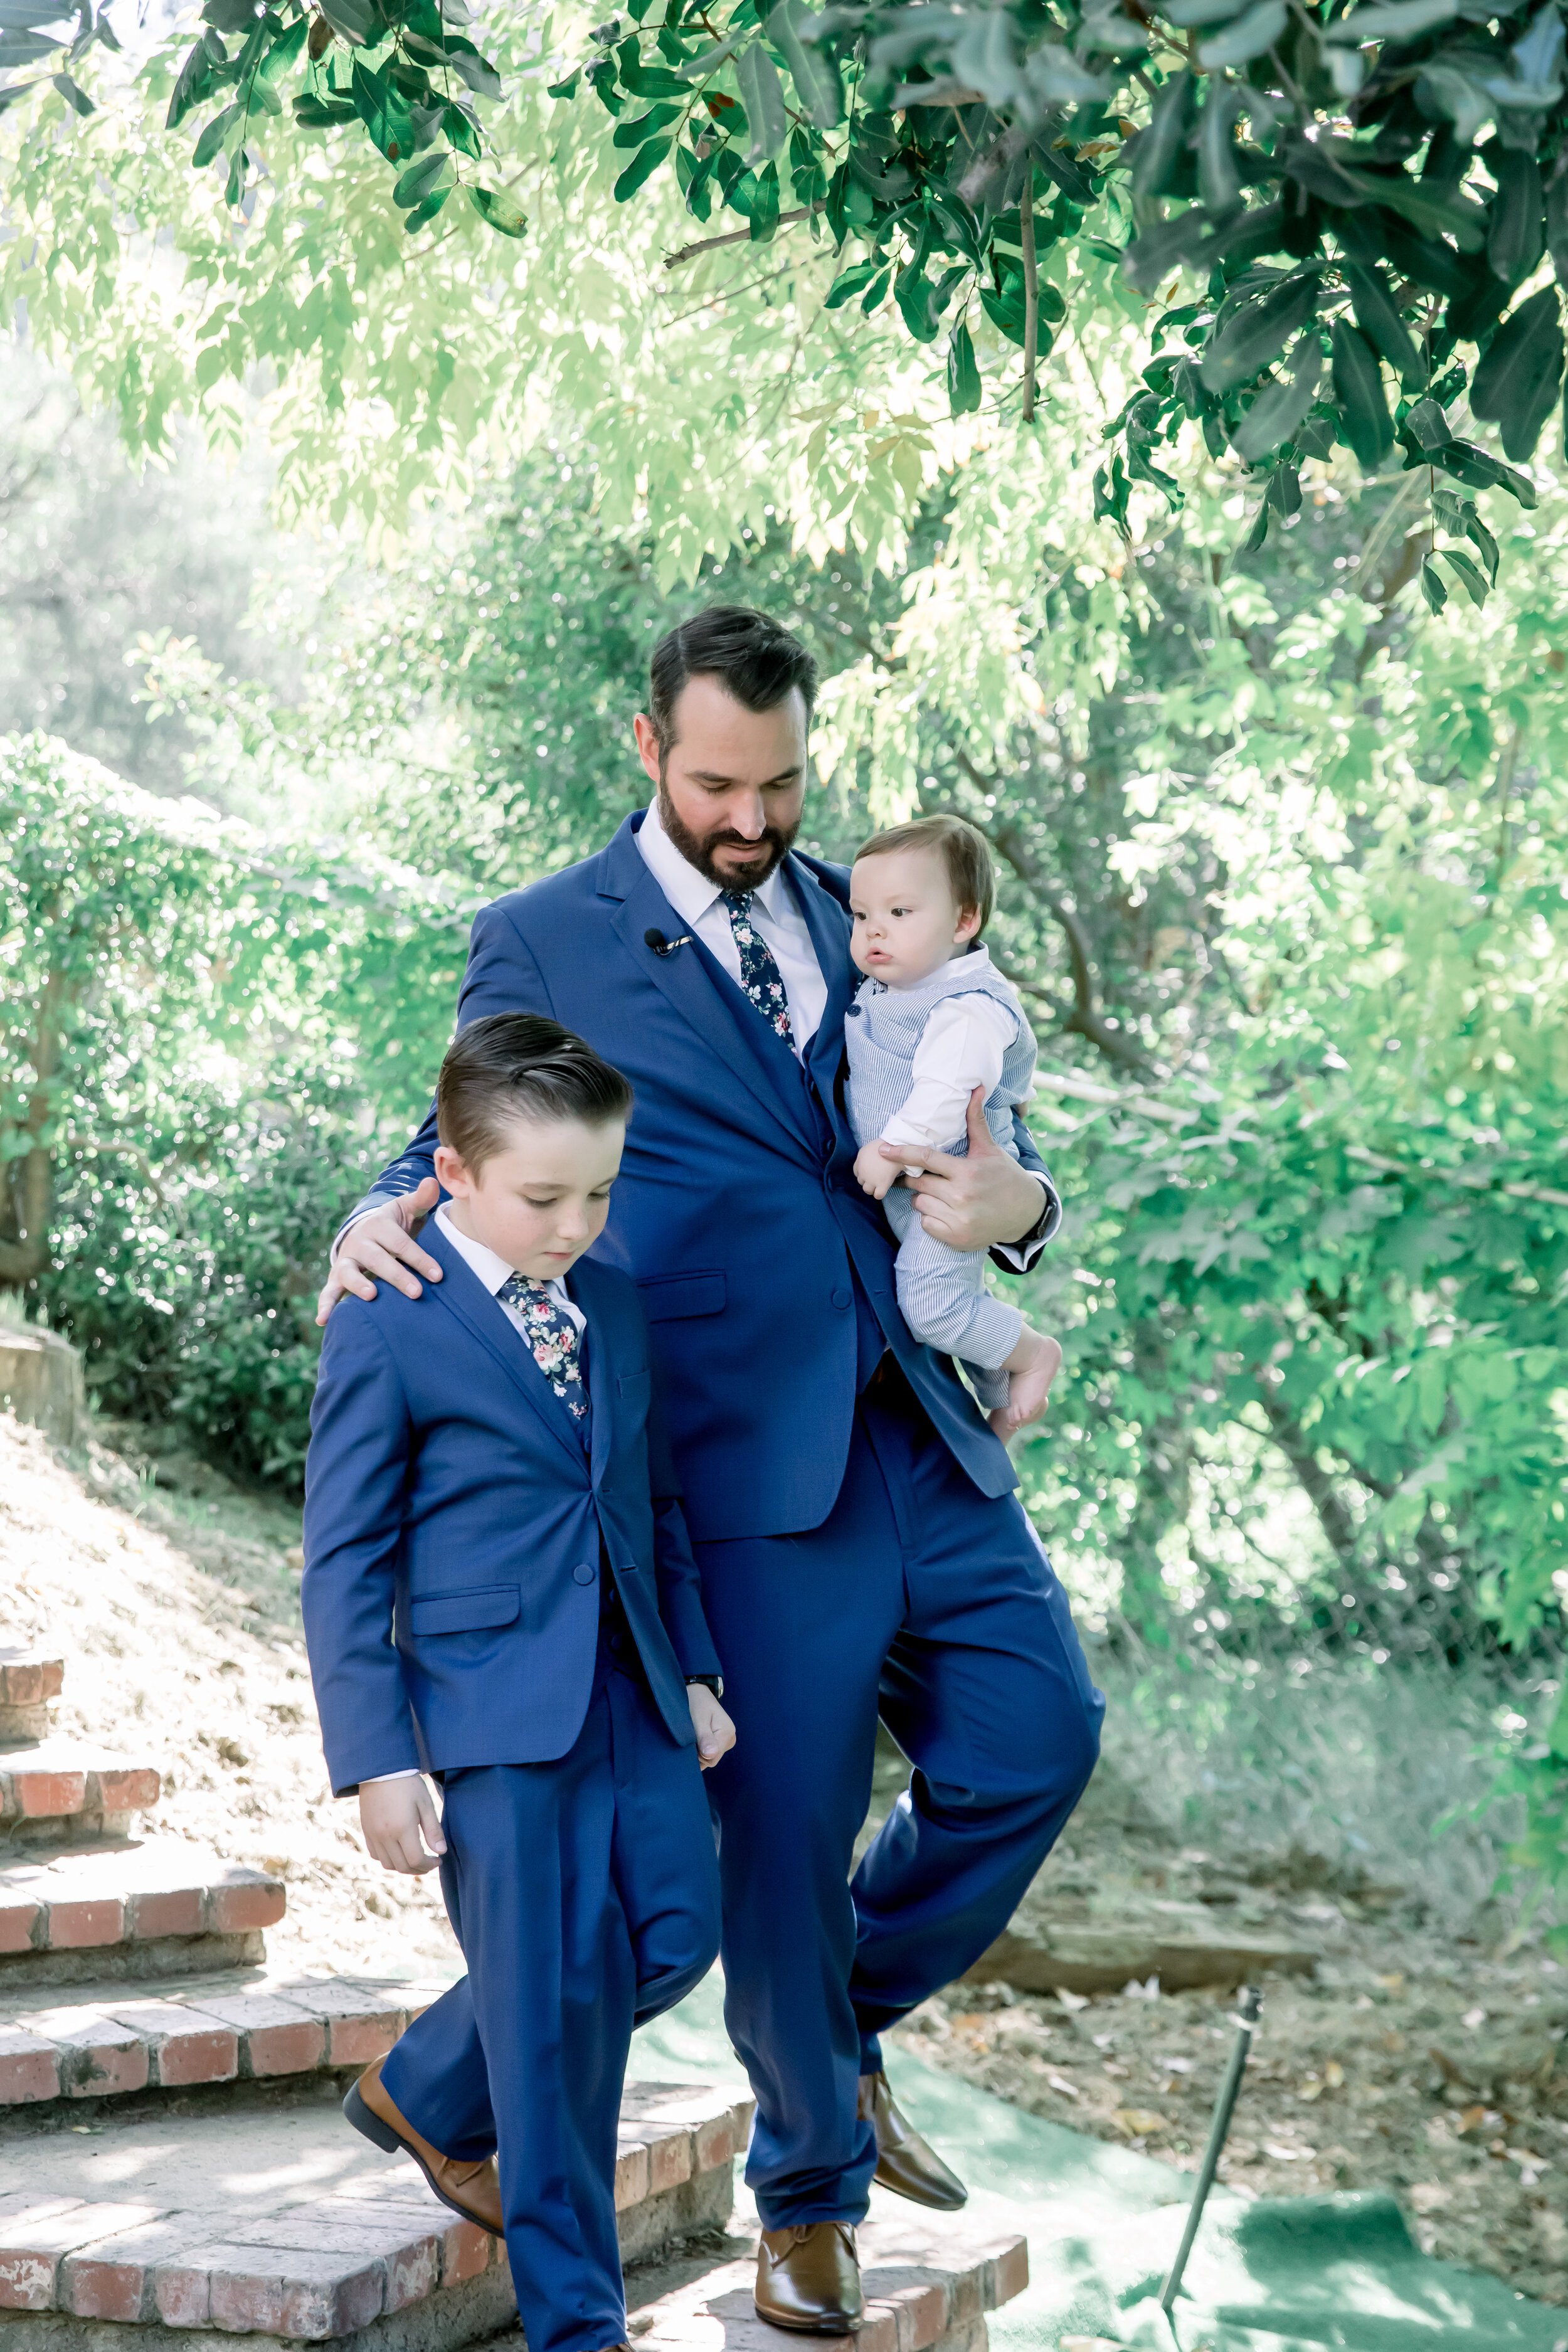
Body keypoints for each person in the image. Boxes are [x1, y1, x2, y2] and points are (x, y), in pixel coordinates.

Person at [319, 605, 1104, 2337]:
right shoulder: (542, 933)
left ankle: (779, 2034)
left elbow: (992, 1136)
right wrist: (382, 1212)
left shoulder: (866, 906)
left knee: (1041, 1739)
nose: (755, 819)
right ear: (644, 746)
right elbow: (458, 1122)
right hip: (736, 1452)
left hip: (921, 1412)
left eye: (783, 781)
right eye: (718, 783)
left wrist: (1022, 1216)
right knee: (781, 1831)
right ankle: (807, 2199)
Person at [301, 1012, 734, 2352]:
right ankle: (576, 2326)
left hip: (636, 1686)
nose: (575, 1223)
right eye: (545, 1198)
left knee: (674, 1933)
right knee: (547, 2052)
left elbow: (652, 1496)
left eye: (598, 1192)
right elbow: (343, 1553)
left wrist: (702, 1669)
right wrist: (378, 1757)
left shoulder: (610, 1296)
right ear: (454, 1170)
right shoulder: (390, 1312)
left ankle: (430, 2082)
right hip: (489, 1712)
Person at [846, 813, 1062, 1441]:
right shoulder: (905, 983)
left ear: (963, 922)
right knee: (948, 1301)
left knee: (933, 1307)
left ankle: (1030, 1353)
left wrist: (890, 1151)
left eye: (899, 914)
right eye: (861, 917)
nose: (873, 930)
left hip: (944, 1184)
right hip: (914, 1194)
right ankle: (1004, 1392)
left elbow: (947, 1094)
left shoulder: (967, 1009)